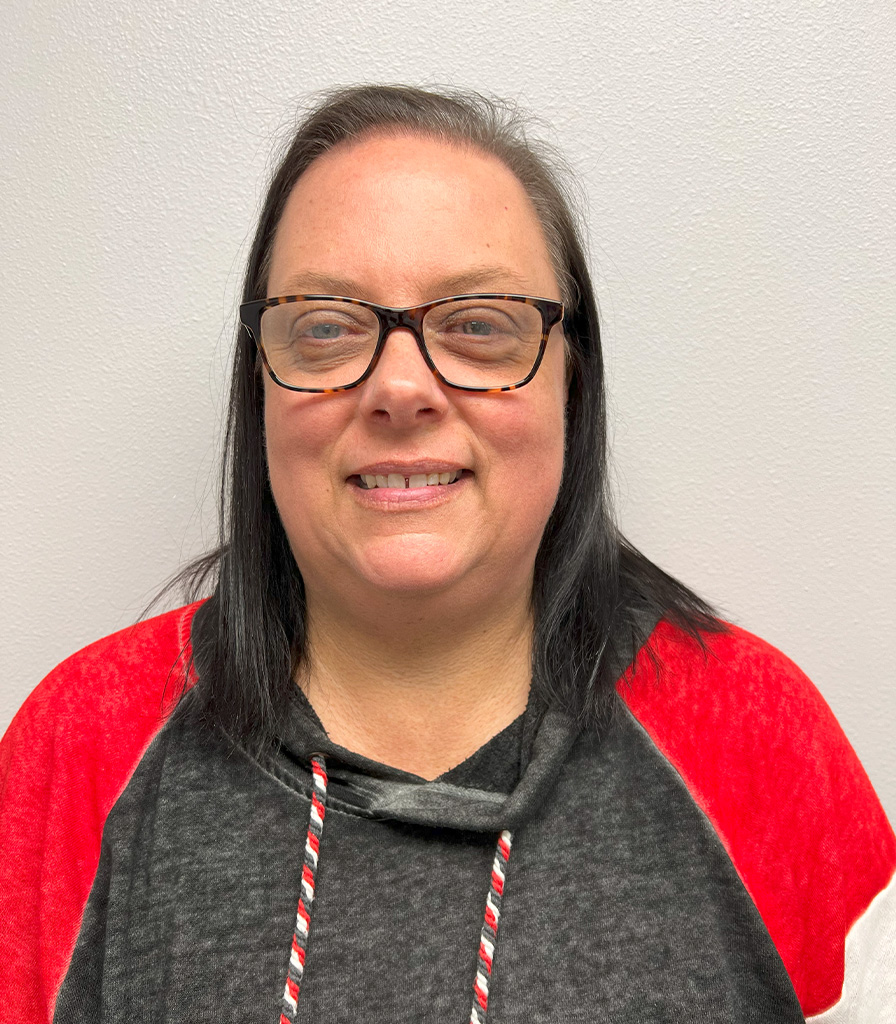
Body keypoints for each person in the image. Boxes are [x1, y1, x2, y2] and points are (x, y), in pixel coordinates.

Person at [1, 85, 893, 1023]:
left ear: (571, 381)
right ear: (257, 384)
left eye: (476, 325)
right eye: (326, 325)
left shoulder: (758, 739)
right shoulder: (82, 747)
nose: (399, 389)